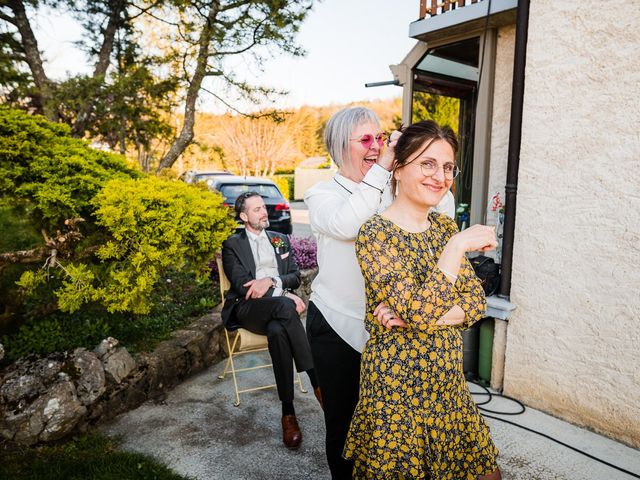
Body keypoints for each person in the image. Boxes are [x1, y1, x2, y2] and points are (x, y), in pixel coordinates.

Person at [343, 120, 501, 479]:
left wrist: (422, 315)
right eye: (427, 164)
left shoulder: (444, 227)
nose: (440, 176)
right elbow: (420, 309)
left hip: (448, 384)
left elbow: (476, 302)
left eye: (447, 167)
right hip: (396, 392)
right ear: (397, 168)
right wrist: (458, 246)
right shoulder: (376, 234)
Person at [304, 106, 454, 479]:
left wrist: (424, 167)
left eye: (381, 138)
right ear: (340, 147)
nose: (376, 147)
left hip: (393, 331)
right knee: (344, 426)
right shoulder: (321, 194)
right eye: (366, 140)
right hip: (337, 325)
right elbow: (348, 224)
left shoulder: (393, 187)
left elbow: (440, 216)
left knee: (393, 430)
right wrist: (383, 168)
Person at [220, 191, 322, 450]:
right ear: (243, 216)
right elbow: (245, 287)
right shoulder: (233, 244)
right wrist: (285, 295)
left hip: (277, 311)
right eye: (256, 210)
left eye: (263, 207)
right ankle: (317, 384)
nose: (264, 212)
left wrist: (273, 282)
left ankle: (288, 413)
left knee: (279, 330)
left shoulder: (280, 239)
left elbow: (294, 277)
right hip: (248, 309)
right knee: (286, 308)